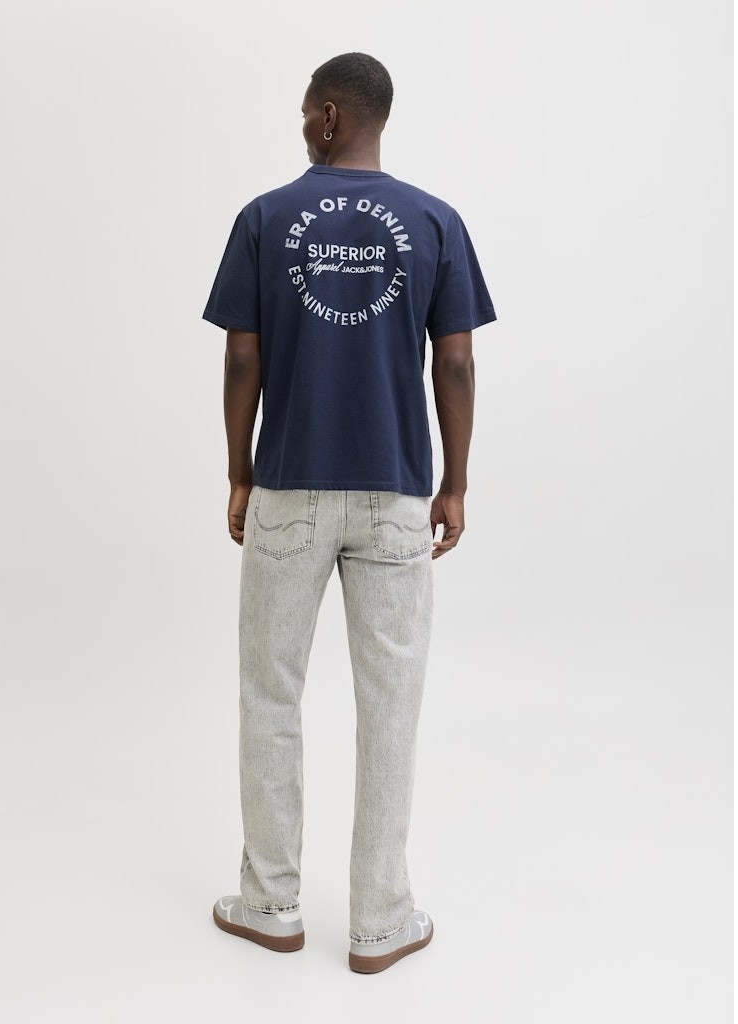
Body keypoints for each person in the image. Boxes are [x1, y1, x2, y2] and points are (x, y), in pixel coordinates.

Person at [202, 52, 496, 974]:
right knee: (391, 705)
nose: (301, 126)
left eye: (305, 112)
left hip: (289, 485)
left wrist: (240, 472)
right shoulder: (435, 222)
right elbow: (456, 363)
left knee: (270, 694)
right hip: (395, 491)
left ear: (330, 115)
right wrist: (454, 483)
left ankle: (270, 904)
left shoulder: (264, 218)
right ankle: (381, 920)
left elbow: (242, 359)